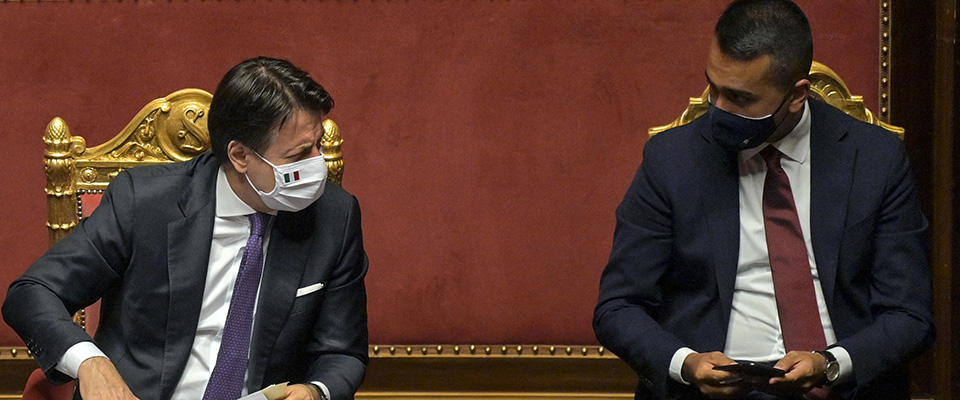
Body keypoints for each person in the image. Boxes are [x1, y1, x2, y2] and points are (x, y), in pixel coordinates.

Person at [593, 1, 933, 399]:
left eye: (740, 98)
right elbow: (618, 308)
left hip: (840, 387)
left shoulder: (875, 159)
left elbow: (911, 317)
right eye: (713, 87)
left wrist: (832, 363)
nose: (717, 109)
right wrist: (686, 363)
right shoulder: (673, 159)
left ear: (797, 95)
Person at [3, 57, 368, 400]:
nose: (317, 164)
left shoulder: (334, 217)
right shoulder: (146, 202)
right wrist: (89, 362)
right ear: (240, 156)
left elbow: (342, 352)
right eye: (299, 155)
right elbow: (33, 292)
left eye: (318, 145)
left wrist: (316, 390)